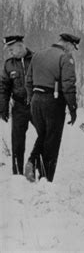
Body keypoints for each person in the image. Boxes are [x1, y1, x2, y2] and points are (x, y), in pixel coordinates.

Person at [24, 33, 80, 182]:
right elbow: (68, 85)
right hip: (53, 102)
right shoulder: (65, 57)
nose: (72, 51)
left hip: (36, 100)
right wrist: (72, 108)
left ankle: (32, 163)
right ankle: (46, 180)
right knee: (52, 142)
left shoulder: (38, 55)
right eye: (73, 48)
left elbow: (28, 80)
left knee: (43, 136)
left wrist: (31, 98)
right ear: (68, 44)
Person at [0, 35, 35, 175]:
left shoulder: (36, 59)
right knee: (17, 142)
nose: (10, 53)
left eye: (11, 49)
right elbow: (4, 87)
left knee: (44, 137)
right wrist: (2, 108)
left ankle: (36, 167)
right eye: (8, 50)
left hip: (36, 105)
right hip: (19, 107)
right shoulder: (9, 64)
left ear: (21, 46)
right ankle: (18, 174)